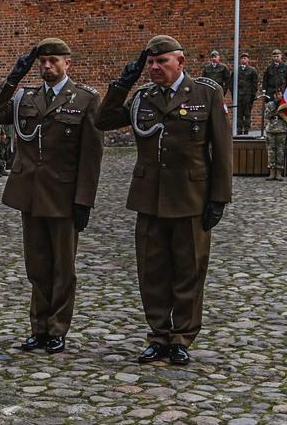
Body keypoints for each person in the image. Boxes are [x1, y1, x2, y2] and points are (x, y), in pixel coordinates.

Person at [95, 35, 232, 366]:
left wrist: (219, 198)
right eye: (151, 63)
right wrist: (123, 83)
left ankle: (182, 337)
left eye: (162, 62)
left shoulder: (206, 94)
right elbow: (103, 120)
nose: (155, 68)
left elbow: (222, 149)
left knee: (189, 270)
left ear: (180, 62)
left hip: (191, 197)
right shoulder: (144, 96)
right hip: (150, 198)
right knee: (153, 271)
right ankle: (158, 335)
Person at [0, 39, 103, 354]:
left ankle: (57, 329)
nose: (47, 67)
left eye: (53, 61)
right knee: (36, 266)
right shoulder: (26, 98)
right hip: (30, 195)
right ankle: (38, 327)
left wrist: (84, 201)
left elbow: (91, 156)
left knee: (63, 268)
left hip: (63, 196)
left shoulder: (85, 100)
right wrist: (12, 78)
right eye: (42, 62)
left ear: (67, 64)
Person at [264, 94, 287, 181]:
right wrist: (274, 110)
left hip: (282, 129)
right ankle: (272, 172)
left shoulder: (285, 104)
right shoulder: (270, 104)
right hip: (271, 130)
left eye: (281, 94)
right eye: (277, 94)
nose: (279, 96)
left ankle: (279, 172)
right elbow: (266, 115)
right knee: (271, 151)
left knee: (280, 151)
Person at [235, 54, 258, 135]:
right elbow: (232, 82)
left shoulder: (252, 70)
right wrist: (233, 94)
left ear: (248, 60)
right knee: (239, 114)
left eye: (245, 58)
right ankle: (239, 130)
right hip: (238, 95)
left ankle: (246, 131)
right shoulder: (236, 70)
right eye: (242, 58)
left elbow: (254, 84)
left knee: (247, 114)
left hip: (247, 96)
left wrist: (252, 95)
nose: (243, 60)